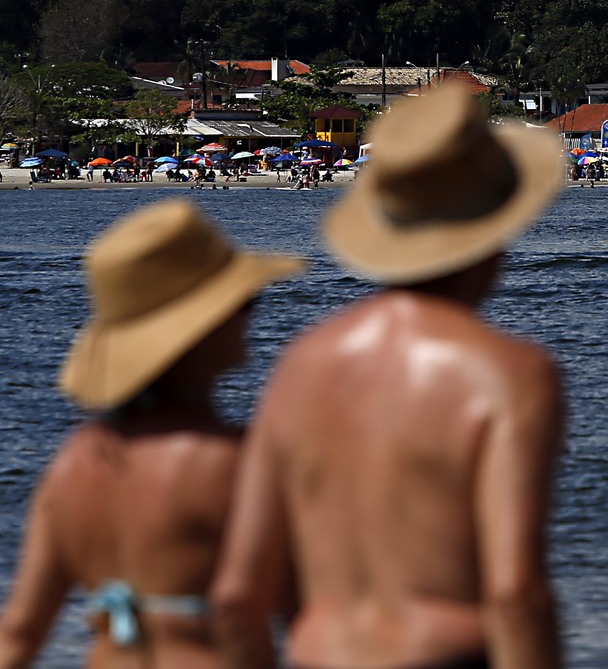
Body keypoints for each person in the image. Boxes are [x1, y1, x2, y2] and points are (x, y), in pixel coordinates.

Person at [214, 83, 566, 669]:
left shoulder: (301, 365)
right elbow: (514, 596)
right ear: (498, 228)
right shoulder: (509, 374)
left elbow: (236, 598)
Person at [0, 199, 303, 668]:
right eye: (245, 302)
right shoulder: (231, 460)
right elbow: (254, 610)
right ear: (201, 328)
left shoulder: (75, 463)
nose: (251, 317)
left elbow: (19, 632)